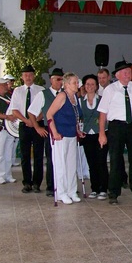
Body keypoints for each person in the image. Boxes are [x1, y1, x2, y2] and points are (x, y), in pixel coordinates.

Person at [98, 60, 132, 204]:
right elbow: (102, 113)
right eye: (125, 72)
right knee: (115, 160)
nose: (128, 74)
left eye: (129, 72)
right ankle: (114, 193)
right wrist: (102, 133)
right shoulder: (110, 90)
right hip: (116, 127)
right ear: (118, 75)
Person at [46, 72, 84, 205]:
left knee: (71, 165)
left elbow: (76, 117)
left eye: (77, 82)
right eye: (74, 83)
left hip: (72, 135)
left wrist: (78, 130)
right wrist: (54, 132)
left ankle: (72, 191)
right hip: (60, 136)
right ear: (66, 84)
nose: (77, 85)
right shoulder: (62, 96)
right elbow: (49, 114)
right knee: (61, 164)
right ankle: (61, 193)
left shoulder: (75, 98)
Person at [27, 68, 64, 196]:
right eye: (57, 79)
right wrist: (37, 127)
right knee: (51, 158)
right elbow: (31, 112)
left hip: (65, 129)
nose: (60, 82)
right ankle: (51, 186)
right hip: (50, 129)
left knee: (65, 158)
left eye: (62, 79)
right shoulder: (43, 94)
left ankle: (64, 185)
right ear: (51, 80)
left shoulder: (66, 93)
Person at [10, 65, 45, 194]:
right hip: (24, 125)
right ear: (22, 77)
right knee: (25, 155)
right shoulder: (17, 91)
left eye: (30, 75)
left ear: (34, 76)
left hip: (38, 125)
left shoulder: (41, 90)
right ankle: (27, 183)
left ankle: (36, 183)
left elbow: (45, 109)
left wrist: (35, 121)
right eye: (25, 75)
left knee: (38, 155)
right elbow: (14, 110)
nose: (28, 77)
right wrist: (26, 121)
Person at [80, 74, 109, 200]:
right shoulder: (80, 101)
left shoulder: (103, 99)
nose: (90, 86)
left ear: (96, 86)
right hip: (87, 135)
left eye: (92, 84)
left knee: (101, 161)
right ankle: (94, 188)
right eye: (87, 84)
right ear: (84, 86)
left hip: (101, 134)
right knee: (91, 163)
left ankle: (103, 189)